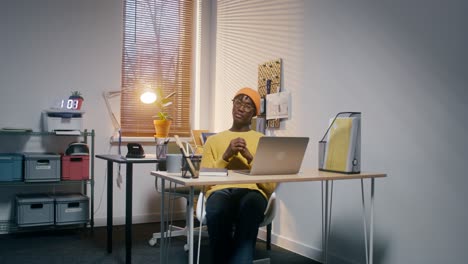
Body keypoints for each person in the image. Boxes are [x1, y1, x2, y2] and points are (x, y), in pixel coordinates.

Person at [200, 87, 276, 264]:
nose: (241, 107)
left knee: (250, 208)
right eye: (238, 102)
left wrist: (250, 157)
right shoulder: (213, 140)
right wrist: (225, 156)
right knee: (217, 211)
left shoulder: (263, 140)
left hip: (252, 192)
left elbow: (270, 186)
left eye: (248, 105)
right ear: (232, 105)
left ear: (254, 113)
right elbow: (203, 182)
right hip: (220, 191)